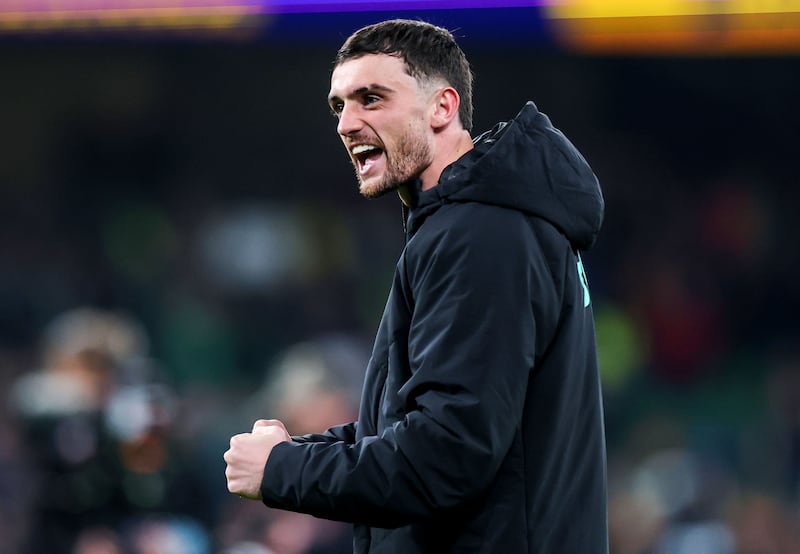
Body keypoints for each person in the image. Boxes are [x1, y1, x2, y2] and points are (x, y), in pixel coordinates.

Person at [225, 18, 608, 553]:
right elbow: (414, 427)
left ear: (442, 107)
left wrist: (283, 470)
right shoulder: (483, 225)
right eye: (339, 106)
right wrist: (296, 452)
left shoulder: (481, 235)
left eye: (371, 99)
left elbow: (446, 455)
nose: (346, 123)